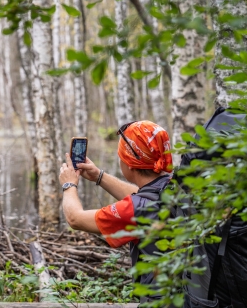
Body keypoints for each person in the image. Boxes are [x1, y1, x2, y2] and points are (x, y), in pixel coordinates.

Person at [58, 120, 173, 303]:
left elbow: (75, 218)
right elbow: (145, 197)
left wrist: (69, 184)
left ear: (129, 164)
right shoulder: (175, 185)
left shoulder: (136, 210)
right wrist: (98, 176)